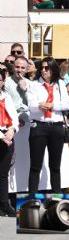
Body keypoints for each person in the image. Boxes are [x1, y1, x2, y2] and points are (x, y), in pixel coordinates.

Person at [26, 57, 69, 192]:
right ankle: (32, 197)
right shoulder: (34, 84)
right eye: (42, 68)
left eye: (47, 68)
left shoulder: (61, 84)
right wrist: (40, 106)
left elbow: (67, 104)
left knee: (55, 166)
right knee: (35, 166)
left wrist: (52, 105)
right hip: (39, 127)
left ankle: (56, 197)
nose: (44, 70)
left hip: (56, 127)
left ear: (53, 69)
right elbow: (31, 105)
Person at [0, 68, 18, 216]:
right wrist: (3, 136)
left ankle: (4, 204)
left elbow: (14, 117)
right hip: (2, 138)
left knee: (3, 174)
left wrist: (12, 130)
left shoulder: (7, 97)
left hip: (7, 137)